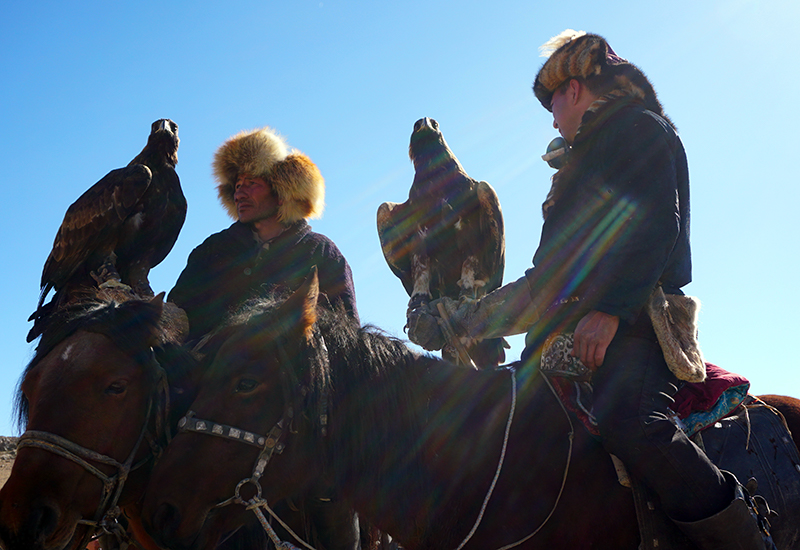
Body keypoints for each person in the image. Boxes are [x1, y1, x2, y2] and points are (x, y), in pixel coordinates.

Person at [407, 30, 775, 549]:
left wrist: (611, 312)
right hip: (558, 340)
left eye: (552, 101)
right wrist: (457, 320)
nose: (552, 116)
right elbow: (545, 283)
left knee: (633, 427)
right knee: (491, 425)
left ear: (575, 88)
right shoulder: (573, 171)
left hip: (638, 331)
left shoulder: (638, 130)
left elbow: (654, 229)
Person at [169, 126, 360, 550]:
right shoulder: (213, 251)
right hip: (208, 398)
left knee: (335, 495)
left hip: (293, 409)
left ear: (283, 190)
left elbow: (345, 338)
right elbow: (179, 316)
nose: (240, 192)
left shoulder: (321, 253)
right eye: (235, 185)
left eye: (251, 183)